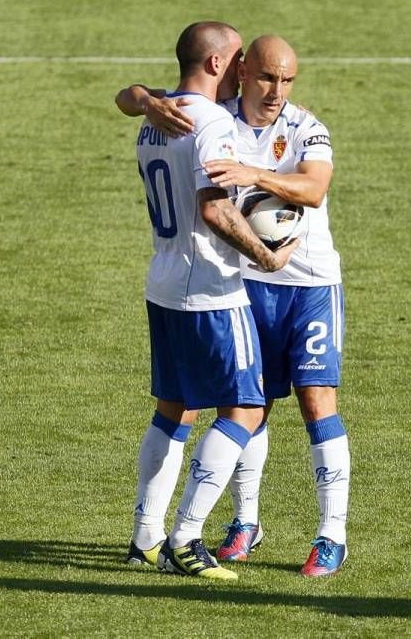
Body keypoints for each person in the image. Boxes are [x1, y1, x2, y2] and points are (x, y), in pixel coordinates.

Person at [118, 34, 351, 578]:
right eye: (269, 77)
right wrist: (147, 100)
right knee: (249, 405)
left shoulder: (305, 127)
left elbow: (314, 190)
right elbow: (129, 97)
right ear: (241, 69)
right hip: (243, 280)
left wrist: (256, 176)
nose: (278, 91)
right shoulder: (211, 116)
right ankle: (242, 523)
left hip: (310, 283)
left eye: (288, 80)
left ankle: (330, 533)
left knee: (317, 403)